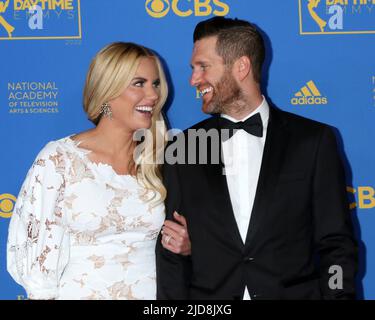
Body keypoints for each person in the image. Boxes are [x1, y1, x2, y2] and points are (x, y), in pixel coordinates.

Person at [156, 17, 358, 300]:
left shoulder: (313, 141)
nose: (193, 79)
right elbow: (171, 253)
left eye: (203, 67)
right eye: (193, 69)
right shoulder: (184, 148)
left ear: (241, 66)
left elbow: (336, 244)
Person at [7, 42, 190, 300]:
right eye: (139, 83)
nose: (153, 95)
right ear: (108, 90)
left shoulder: (163, 159)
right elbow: (38, 267)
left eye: (156, 84)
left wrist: (189, 246)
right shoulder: (59, 159)